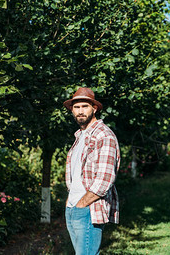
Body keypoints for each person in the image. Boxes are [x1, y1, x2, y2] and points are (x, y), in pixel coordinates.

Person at [63, 87, 120, 255]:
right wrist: (70, 203)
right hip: (73, 207)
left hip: (88, 209)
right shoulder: (80, 136)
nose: (80, 111)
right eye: (76, 107)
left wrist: (82, 204)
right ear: (72, 110)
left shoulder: (104, 136)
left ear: (94, 108)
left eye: (84, 106)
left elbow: (105, 180)